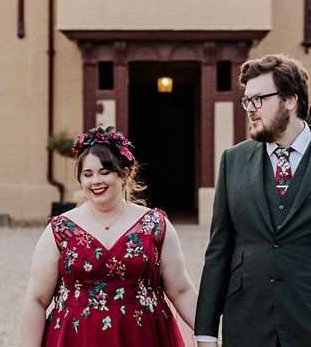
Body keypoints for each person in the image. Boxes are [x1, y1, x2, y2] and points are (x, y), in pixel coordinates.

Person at [195, 54, 311, 347]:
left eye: (259, 99)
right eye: (247, 101)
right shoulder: (232, 160)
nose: (251, 110)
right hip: (248, 324)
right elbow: (219, 250)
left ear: (290, 100)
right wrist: (205, 330)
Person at [21, 126, 198, 347]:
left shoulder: (155, 224)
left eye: (105, 172)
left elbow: (181, 290)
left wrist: (208, 334)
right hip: (76, 338)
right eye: (88, 174)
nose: (96, 181)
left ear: (124, 174)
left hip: (142, 338)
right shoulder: (61, 229)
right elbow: (37, 300)